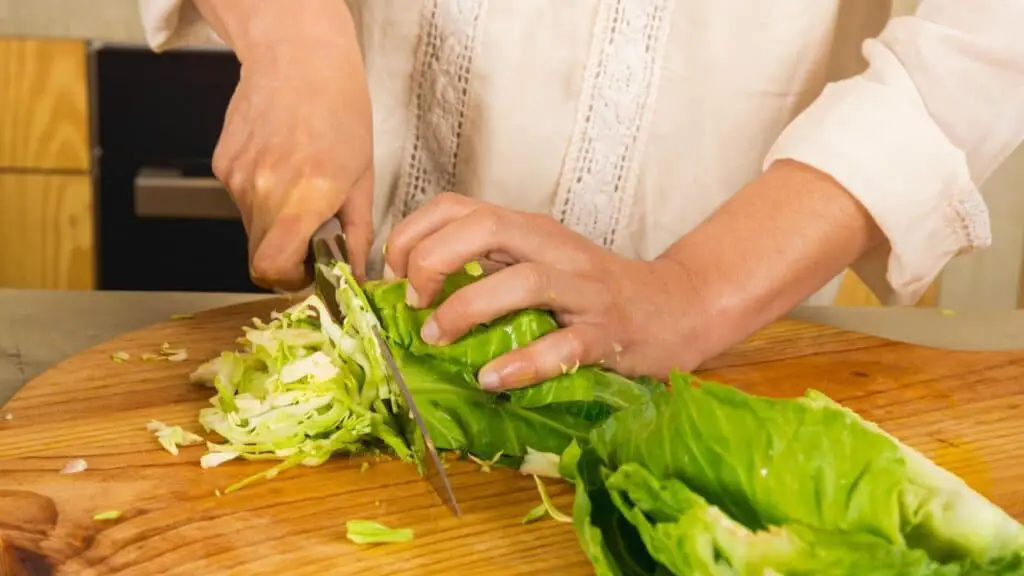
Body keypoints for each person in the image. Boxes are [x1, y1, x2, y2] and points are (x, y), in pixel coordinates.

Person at [139, 0, 1024, 392]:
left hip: (724, 338)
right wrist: (290, 29)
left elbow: (990, 35)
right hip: (360, 267)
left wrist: (698, 287)